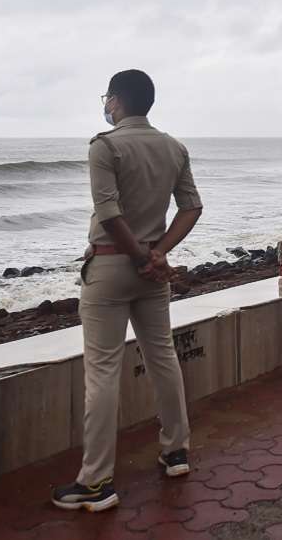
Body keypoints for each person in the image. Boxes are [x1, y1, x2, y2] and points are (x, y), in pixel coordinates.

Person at [51, 69, 204, 512]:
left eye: (107, 98)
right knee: (163, 357)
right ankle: (176, 451)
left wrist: (139, 256)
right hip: (151, 268)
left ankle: (96, 481)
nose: (106, 104)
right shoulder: (174, 147)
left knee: (102, 371)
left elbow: (110, 213)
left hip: (111, 265)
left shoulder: (106, 146)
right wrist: (158, 254)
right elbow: (191, 207)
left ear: (117, 101)